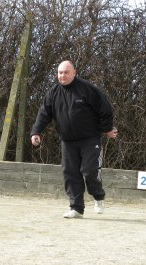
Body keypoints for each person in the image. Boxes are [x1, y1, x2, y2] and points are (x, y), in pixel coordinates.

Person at [30, 60, 118, 218]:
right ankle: (76, 208)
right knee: (70, 173)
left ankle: (98, 196)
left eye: (66, 72)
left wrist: (107, 129)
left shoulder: (87, 89)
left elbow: (105, 109)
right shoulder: (53, 93)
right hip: (68, 141)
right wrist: (36, 132)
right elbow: (44, 114)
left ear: (74, 72)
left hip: (90, 139)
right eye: (60, 73)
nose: (62, 75)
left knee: (90, 171)